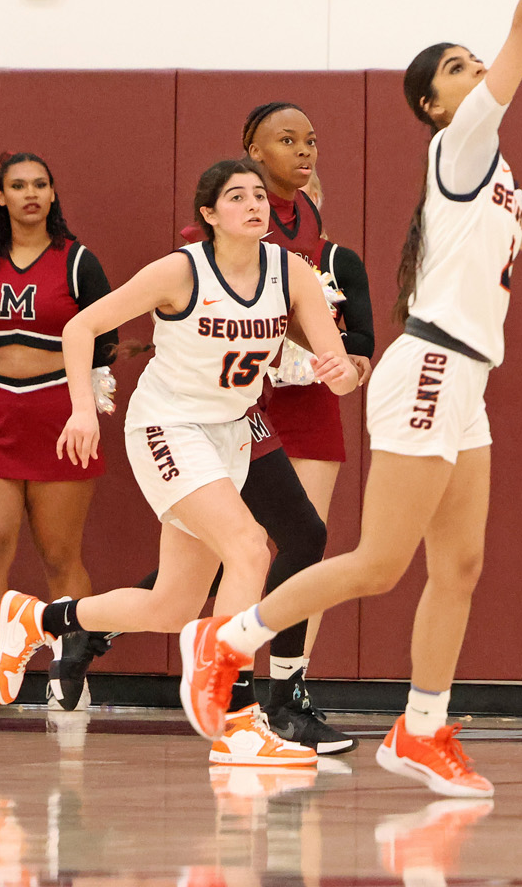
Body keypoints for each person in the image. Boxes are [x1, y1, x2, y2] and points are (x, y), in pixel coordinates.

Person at [178, 0, 522, 799]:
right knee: (380, 563)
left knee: (461, 564)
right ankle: (229, 640)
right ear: (433, 104)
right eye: (457, 68)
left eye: (471, 62)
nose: (476, 69)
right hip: (431, 366)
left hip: (468, 380)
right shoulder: (461, 146)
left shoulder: (496, 178)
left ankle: (421, 728)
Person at [0, 158, 358, 768]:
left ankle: (40, 619)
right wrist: (81, 409)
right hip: (168, 426)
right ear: (208, 215)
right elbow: (81, 327)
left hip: (231, 430)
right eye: (236, 197)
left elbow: (338, 369)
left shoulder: (290, 271)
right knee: (248, 548)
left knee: (172, 606)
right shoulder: (181, 271)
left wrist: (340, 372)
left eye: (259, 195)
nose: (254, 204)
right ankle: (238, 717)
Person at [0, 153, 116, 712]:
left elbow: (106, 335)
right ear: (0, 196)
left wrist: (82, 398)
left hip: (60, 415)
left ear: (53, 193)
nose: (30, 194)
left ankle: (70, 675)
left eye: (40, 184)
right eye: (18, 185)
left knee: (60, 553)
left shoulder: (78, 261)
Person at [239, 100, 375, 748]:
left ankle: (283, 695)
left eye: (312, 142)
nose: (304, 153)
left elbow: (356, 341)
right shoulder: (227, 233)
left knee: (304, 545)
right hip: (232, 403)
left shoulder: (325, 248)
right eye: (288, 141)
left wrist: (347, 363)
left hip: (306, 405)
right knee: (218, 560)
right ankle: (83, 624)